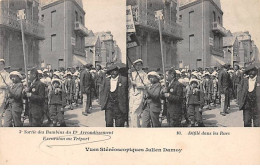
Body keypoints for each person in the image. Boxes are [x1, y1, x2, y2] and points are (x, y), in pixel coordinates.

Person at [129, 59, 149, 127]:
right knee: (131, 111)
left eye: (139, 65)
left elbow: (146, 85)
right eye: (136, 65)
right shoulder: (132, 73)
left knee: (136, 111)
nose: (137, 66)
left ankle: (136, 128)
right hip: (132, 94)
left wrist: (137, 84)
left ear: (141, 66)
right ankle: (133, 127)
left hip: (139, 94)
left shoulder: (144, 74)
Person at [0, 59, 12, 127]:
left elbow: (9, 84)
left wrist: (1, 85)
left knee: (0, 111)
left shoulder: (6, 74)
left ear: (4, 65)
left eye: (1, 64)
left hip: (2, 93)